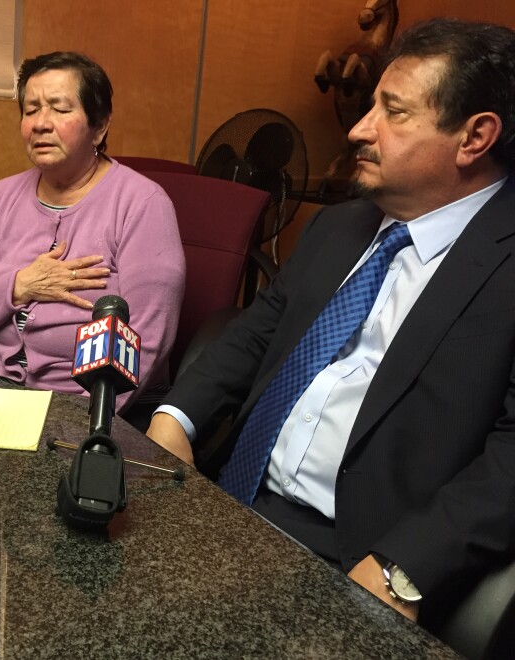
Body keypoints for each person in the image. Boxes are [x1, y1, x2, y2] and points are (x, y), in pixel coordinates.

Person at [147, 17, 515, 633]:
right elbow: (256, 330)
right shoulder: (338, 226)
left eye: (392, 112)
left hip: (359, 556)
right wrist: (175, 416)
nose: (357, 129)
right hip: (233, 497)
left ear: (474, 137)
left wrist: (405, 566)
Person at [0, 52, 185, 413]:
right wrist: (18, 286)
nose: (40, 123)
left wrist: (81, 426)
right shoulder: (1, 197)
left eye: (59, 108)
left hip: (89, 405)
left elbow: (145, 341)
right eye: (31, 109)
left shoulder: (142, 203)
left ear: (99, 126)